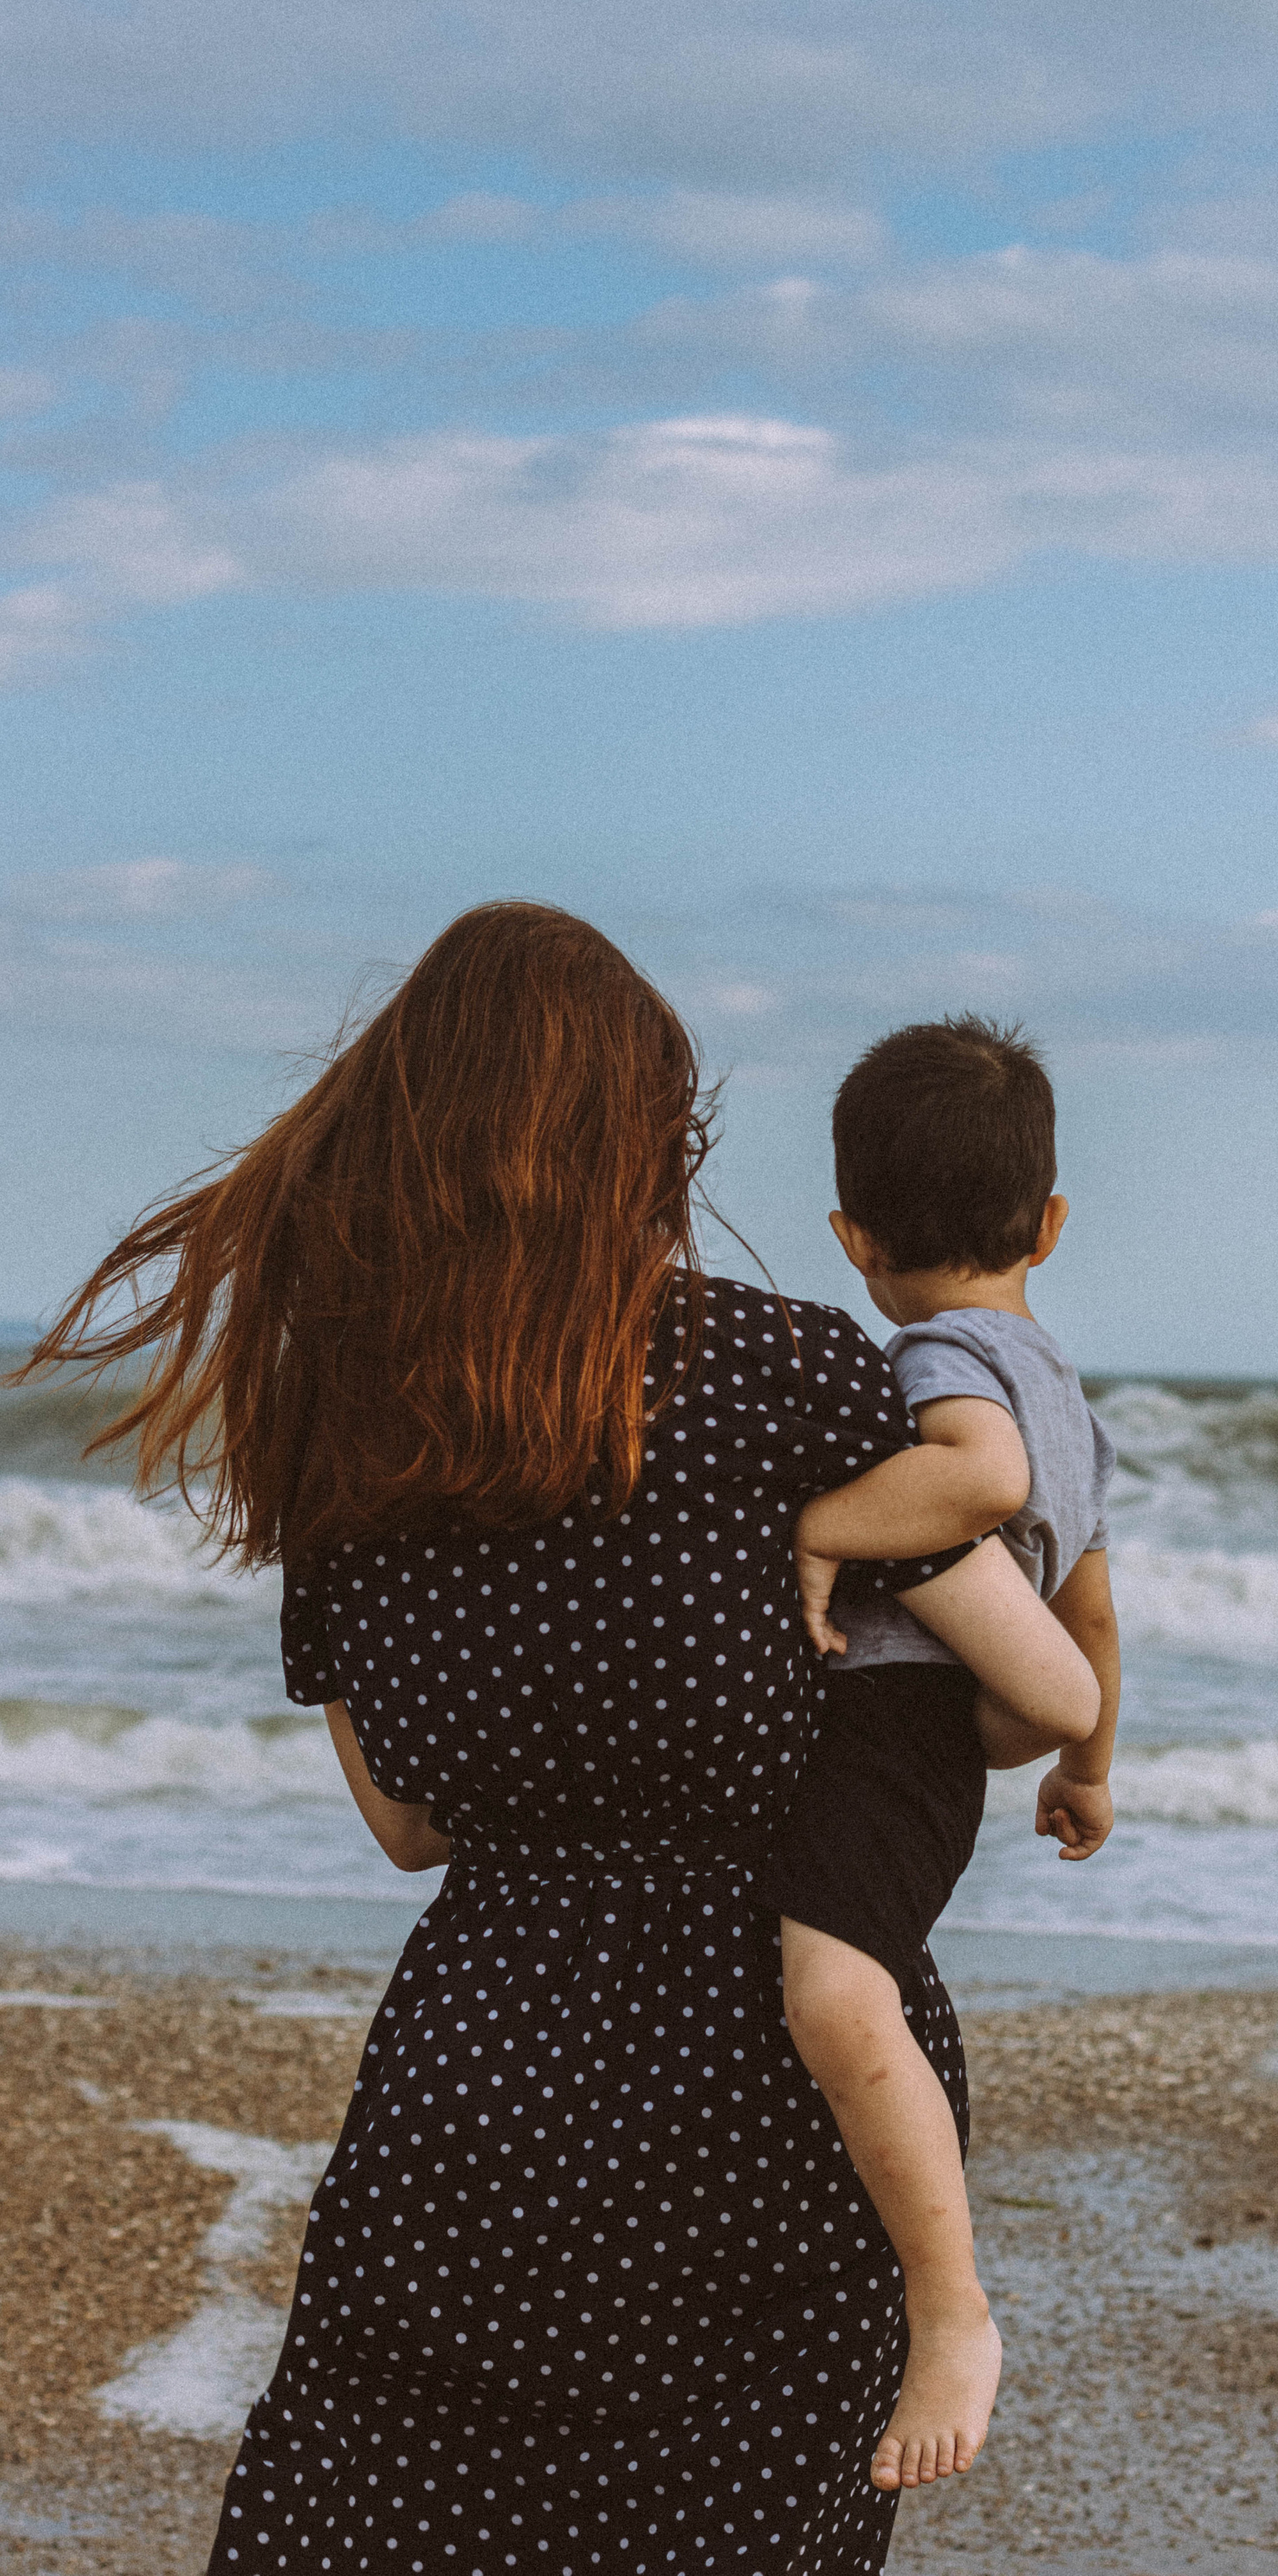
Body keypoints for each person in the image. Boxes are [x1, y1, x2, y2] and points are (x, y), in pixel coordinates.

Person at [12, 903, 1100, 2576]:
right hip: (755, 2071)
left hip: (484, 2065)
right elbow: (1032, 1687)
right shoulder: (778, 1369)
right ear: (639, 1146)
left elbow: (408, 1824)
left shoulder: (337, 1419)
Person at [760, 1016, 1123, 2500]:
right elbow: (1090, 1604)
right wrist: (1085, 1765)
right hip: (946, 1737)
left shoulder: (936, 1359)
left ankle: (950, 2306)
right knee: (845, 1982)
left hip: (895, 1728)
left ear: (849, 1236)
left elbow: (978, 1478)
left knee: (835, 1993)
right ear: (1046, 1221)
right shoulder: (1061, 1382)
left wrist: (817, 1527)